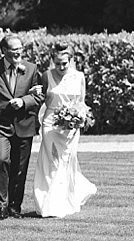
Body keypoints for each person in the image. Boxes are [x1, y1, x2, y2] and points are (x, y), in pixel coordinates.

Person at [0, 35, 45, 221]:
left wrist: (23, 101)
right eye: (14, 49)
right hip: (0, 125)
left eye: (20, 48)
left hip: (24, 124)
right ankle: (1, 207)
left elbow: (39, 96)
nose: (18, 52)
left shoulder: (31, 69)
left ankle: (15, 207)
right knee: (2, 160)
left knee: (20, 168)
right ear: (4, 50)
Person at [33, 42, 97, 217]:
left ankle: (64, 202)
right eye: (58, 63)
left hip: (71, 127)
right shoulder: (46, 75)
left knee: (67, 162)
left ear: (71, 61)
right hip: (51, 124)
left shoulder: (79, 77)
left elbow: (82, 103)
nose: (61, 67)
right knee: (52, 162)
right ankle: (48, 204)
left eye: (65, 63)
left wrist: (79, 117)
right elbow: (41, 99)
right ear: (53, 60)